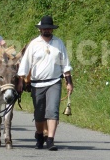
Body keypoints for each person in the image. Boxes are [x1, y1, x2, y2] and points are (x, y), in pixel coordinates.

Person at [16, 15, 73, 151]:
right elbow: (25, 64)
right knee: (39, 114)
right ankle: (40, 135)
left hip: (54, 82)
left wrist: (69, 82)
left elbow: (65, 64)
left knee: (52, 111)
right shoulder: (34, 44)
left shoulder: (58, 43)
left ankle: (50, 140)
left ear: (52, 29)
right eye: (44, 28)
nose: (46, 30)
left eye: (49, 28)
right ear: (40, 29)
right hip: (37, 83)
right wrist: (20, 81)